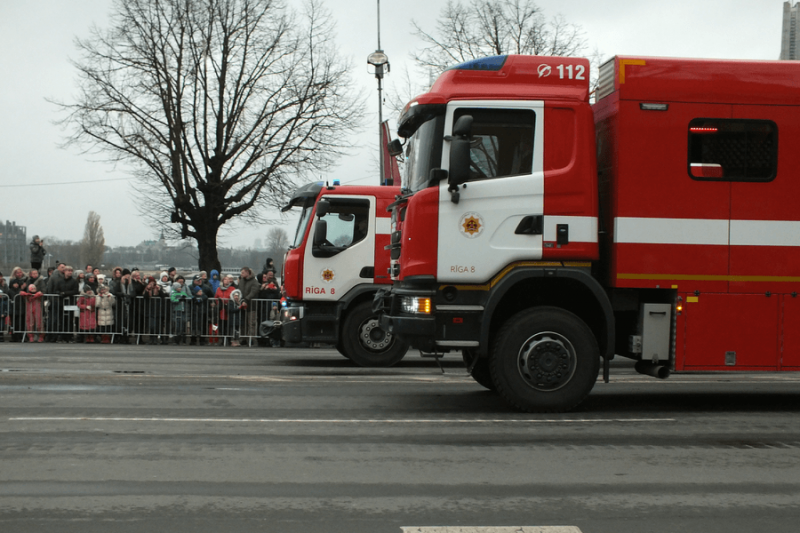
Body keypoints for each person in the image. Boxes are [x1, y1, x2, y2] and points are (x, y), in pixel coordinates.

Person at [238, 267, 259, 341]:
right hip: (242, 305)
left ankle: (251, 339)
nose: (241, 274)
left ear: (248, 272)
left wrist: (246, 299)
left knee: (251, 323)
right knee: (243, 323)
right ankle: (243, 338)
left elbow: (253, 292)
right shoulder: (241, 281)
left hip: (251, 306)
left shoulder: (254, 281)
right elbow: (239, 291)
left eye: (243, 272)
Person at [7, 267, 28, 342]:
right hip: (14, 309)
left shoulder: (23, 283)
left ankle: (21, 337)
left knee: (21, 323)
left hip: (21, 308)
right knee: (14, 323)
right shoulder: (11, 290)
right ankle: (14, 337)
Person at [142, 277, 165, 345]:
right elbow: (145, 297)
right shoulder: (147, 289)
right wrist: (147, 289)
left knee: (157, 326)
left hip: (157, 310)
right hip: (150, 310)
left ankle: (155, 338)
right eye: (150, 283)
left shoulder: (158, 289)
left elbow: (163, 296)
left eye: (153, 283)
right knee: (151, 325)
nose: (152, 285)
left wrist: (159, 290)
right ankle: (151, 338)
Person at [214, 275, 237, 340]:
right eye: (225, 279)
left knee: (229, 325)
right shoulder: (218, 289)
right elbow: (216, 297)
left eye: (228, 280)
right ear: (222, 281)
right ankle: (222, 339)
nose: (227, 281)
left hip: (229, 310)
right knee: (221, 325)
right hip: (221, 310)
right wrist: (218, 303)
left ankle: (229, 339)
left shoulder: (232, 288)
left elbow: (234, 297)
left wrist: (228, 301)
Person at [189, 277, 208, 346]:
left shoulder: (204, 290)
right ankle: (193, 339)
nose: (199, 281)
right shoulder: (191, 288)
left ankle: (202, 339)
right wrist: (196, 298)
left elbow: (206, 296)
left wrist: (200, 298)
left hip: (202, 312)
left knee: (201, 326)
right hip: (194, 312)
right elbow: (190, 297)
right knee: (194, 326)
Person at [0, 272, 8, 342]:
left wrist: (2, 296)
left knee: (2, 319)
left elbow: (7, 294)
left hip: (2, 303)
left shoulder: (4, 284)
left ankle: (1, 334)